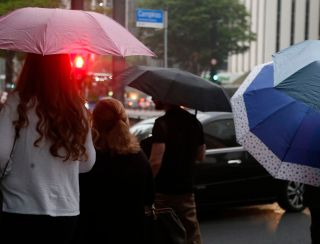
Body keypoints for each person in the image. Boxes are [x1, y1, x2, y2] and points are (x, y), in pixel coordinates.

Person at [0, 53, 96, 244]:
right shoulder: (77, 109)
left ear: (29, 68)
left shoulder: (16, 102)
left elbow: (1, 154)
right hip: (65, 210)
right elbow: (87, 163)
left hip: (20, 207)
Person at [74, 98, 154, 243]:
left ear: (94, 121)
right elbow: (149, 197)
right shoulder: (139, 157)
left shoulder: (86, 157)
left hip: (93, 232)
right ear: (124, 119)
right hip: (131, 232)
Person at [149, 99, 206, 244]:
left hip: (163, 191)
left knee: (164, 234)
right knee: (191, 234)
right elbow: (201, 155)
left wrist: (147, 184)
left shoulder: (161, 123)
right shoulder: (194, 122)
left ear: (166, 98)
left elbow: (156, 161)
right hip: (186, 189)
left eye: (155, 96)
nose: (152, 99)